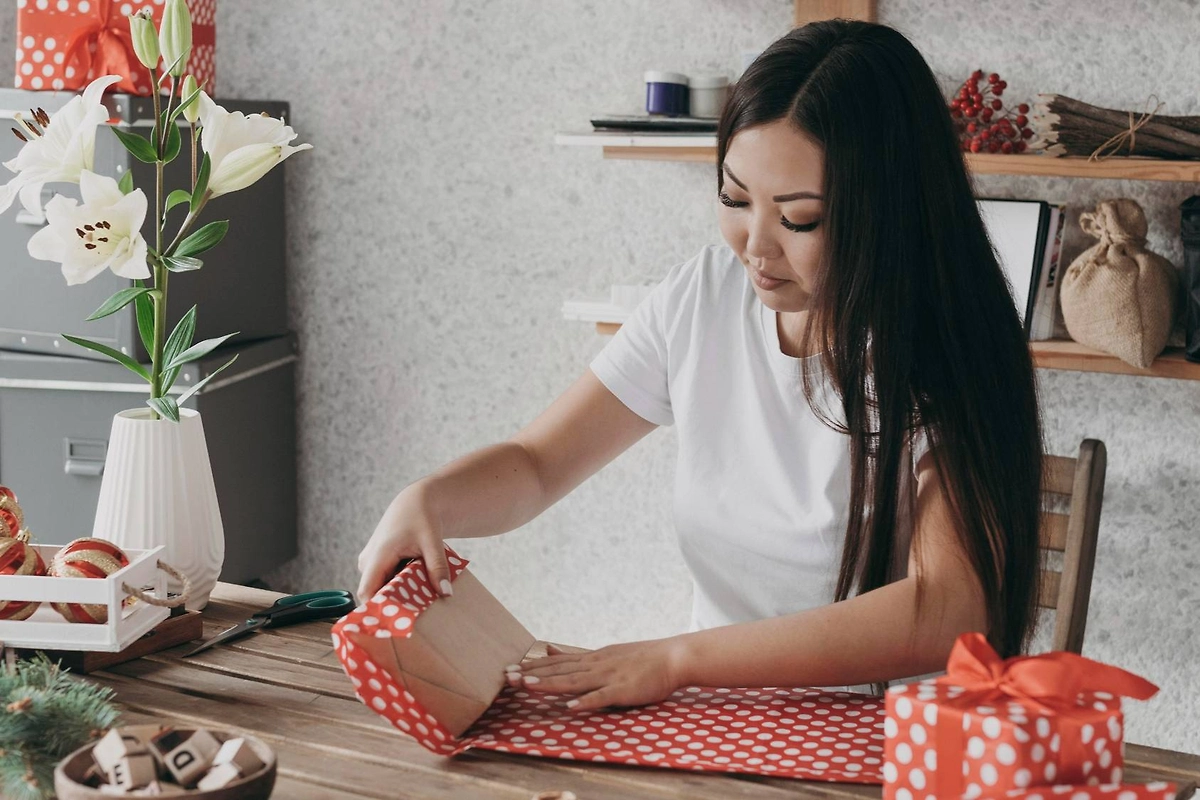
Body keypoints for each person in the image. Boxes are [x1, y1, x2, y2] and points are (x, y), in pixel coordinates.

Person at [356, 18, 1044, 712]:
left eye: (800, 219)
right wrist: (429, 501)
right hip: (715, 718)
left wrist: (680, 660)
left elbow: (948, 609)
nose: (757, 247)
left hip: (888, 741)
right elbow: (537, 465)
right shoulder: (704, 297)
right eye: (734, 200)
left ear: (889, 212)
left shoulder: (944, 352)